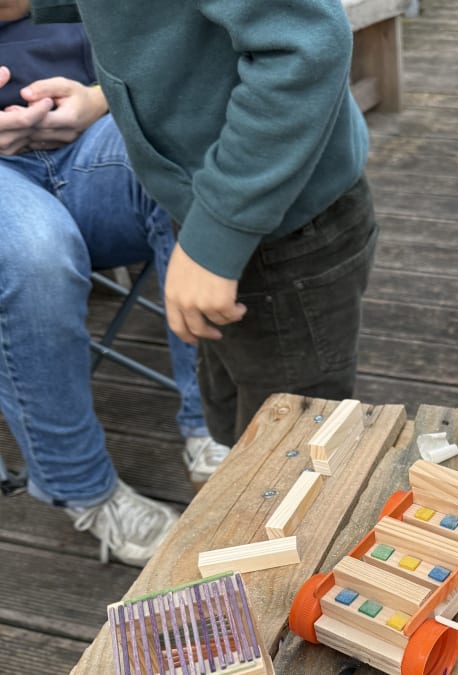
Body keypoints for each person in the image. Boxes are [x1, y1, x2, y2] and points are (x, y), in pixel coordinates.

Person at [30, 0, 379, 448]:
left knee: (289, 455)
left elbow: (306, 45)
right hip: (219, 208)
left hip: (281, 230)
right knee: (236, 426)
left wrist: (216, 234)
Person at [0, 3, 231, 565]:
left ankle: (215, 426)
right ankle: (83, 488)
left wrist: (99, 98)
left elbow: (173, 52)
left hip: (96, 136)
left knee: (192, 161)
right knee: (35, 256)